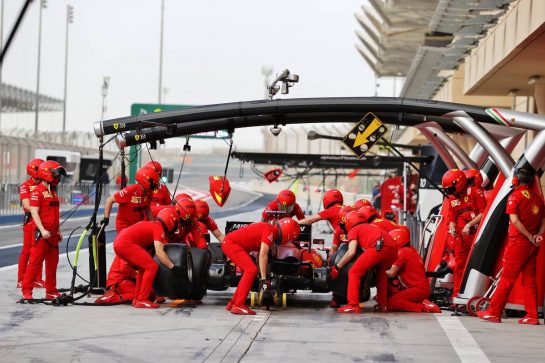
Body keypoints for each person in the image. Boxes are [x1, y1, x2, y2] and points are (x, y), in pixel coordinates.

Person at [478, 168, 545, 324]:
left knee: (507, 279)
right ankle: (532, 316)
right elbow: (543, 222)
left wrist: (528, 236)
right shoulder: (538, 198)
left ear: (515, 181)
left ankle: (494, 312)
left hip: (518, 243)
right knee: (529, 280)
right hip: (532, 245)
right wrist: (536, 236)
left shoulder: (514, 197)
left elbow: (514, 221)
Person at [222, 218, 300, 315]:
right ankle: (238, 305)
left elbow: (260, 255)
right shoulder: (270, 231)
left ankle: (232, 303)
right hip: (231, 244)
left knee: (248, 272)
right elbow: (263, 255)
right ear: (287, 235)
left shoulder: (269, 229)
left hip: (230, 243)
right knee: (251, 270)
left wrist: (262, 275)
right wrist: (263, 279)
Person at [112, 207, 180, 309]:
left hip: (119, 242)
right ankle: (143, 299)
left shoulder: (153, 225)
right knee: (151, 267)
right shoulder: (159, 229)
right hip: (125, 243)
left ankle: (137, 299)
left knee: (143, 268)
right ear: (170, 222)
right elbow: (159, 252)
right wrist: (173, 267)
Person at [332, 210, 398, 313]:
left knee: (354, 272)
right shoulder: (371, 226)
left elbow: (351, 252)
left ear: (349, 222)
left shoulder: (354, 229)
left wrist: (337, 267)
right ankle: (383, 305)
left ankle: (353, 305)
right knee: (381, 276)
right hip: (393, 249)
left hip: (378, 248)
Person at [21, 161, 66, 300]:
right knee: (34, 263)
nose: (58, 178)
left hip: (52, 235)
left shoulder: (53, 192)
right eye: (56, 175)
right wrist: (42, 230)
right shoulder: (37, 191)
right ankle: (27, 291)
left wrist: (58, 231)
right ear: (47, 173)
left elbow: (55, 215)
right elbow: (34, 213)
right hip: (42, 235)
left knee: (53, 264)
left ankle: (51, 290)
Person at [442, 169, 486, 298]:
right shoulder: (452, 198)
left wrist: (469, 224)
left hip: (475, 236)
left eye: (451, 189)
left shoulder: (475, 192)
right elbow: (451, 219)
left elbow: (483, 213)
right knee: (459, 267)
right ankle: (457, 297)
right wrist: (452, 229)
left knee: (476, 266)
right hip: (461, 238)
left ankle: (474, 296)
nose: (450, 192)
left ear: (459, 183)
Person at [385, 227, 440, 313]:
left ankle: (424, 307)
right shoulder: (411, 250)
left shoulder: (402, 253)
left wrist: (379, 273)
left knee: (391, 303)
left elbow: (391, 273)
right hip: (420, 289)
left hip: (417, 290)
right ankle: (423, 302)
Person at [101, 166, 159, 232]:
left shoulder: (149, 192)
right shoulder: (129, 191)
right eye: (153, 184)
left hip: (137, 226)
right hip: (124, 226)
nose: (154, 187)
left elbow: (147, 208)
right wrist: (106, 218)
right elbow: (109, 200)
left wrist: (154, 223)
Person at [17, 158, 45, 289]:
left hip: (41, 221)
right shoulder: (25, 186)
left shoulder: (44, 185)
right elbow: (26, 205)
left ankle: (37, 279)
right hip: (30, 222)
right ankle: (21, 279)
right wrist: (40, 208)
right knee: (27, 251)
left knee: (39, 251)